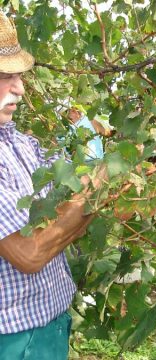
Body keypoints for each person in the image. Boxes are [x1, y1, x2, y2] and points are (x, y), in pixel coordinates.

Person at [0, 12, 104, 359]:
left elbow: (79, 177)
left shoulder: (21, 144)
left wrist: (150, 144)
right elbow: (29, 253)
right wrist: (99, 185)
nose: (20, 87)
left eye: (18, 75)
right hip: (13, 342)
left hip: (50, 327)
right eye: (5, 76)